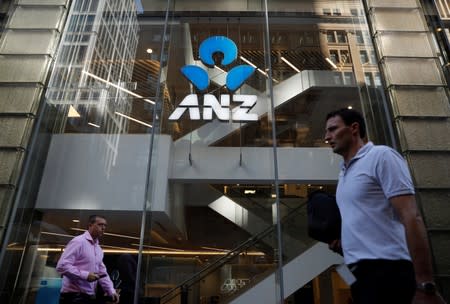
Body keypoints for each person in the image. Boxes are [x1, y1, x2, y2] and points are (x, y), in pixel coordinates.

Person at [324, 108, 447, 304]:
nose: (327, 137)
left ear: (354, 128)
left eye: (333, 129)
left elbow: (411, 216)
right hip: (358, 273)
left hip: (389, 269)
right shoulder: (343, 173)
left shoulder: (381, 156)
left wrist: (425, 283)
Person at [56, 215, 120, 304]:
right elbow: (62, 266)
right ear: (90, 225)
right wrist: (85, 275)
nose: (103, 228)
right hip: (73, 297)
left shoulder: (98, 249)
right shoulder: (78, 242)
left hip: (89, 297)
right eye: (100, 225)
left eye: (105, 225)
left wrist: (111, 291)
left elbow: (102, 273)